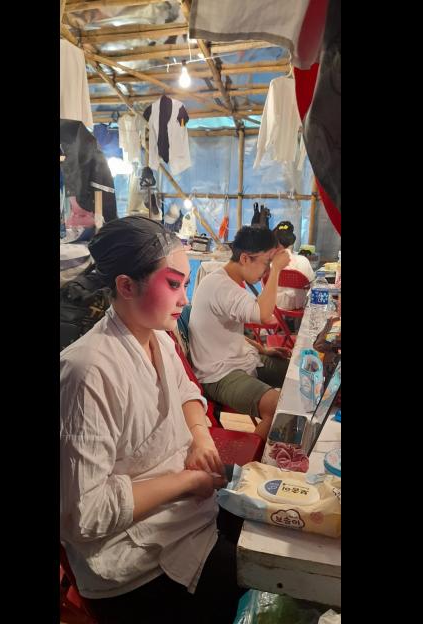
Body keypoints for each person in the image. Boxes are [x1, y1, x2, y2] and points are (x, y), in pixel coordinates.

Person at [59, 215, 245, 624]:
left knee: (268, 518)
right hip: (132, 564)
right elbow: (83, 515)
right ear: (126, 286)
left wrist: (200, 436)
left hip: (183, 514)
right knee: (256, 577)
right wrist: (188, 482)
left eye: (185, 284)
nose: (185, 300)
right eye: (174, 284)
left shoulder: (157, 337)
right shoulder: (88, 372)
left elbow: (187, 393)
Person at [188, 226, 292, 440]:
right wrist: (277, 270)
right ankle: (250, 460)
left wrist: (263, 349)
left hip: (241, 359)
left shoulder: (227, 281)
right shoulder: (221, 286)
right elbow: (264, 315)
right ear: (245, 258)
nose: (266, 270)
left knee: (297, 375)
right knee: (276, 407)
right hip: (218, 374)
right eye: (266, 263)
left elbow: (225, 332)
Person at [273, 220, 316, 310]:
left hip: (274, 306)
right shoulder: (303, 260)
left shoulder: (271, 263)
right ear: (292, 241)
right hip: (299, 306)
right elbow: (313, 285)